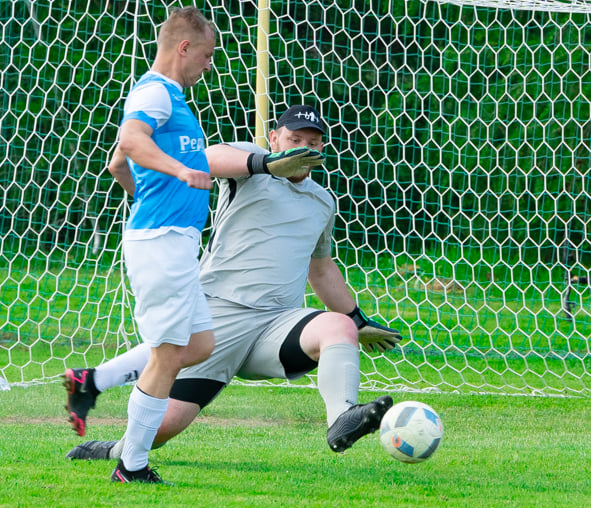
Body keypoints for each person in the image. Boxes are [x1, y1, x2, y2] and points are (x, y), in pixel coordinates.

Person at [64, 104, 402, 470]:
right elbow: (207, 158)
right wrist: (269, 164)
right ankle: (115, 448)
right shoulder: (253, 165)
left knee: (338, 326)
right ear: (274, 138)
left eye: (314, 142)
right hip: (216, 317)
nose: (305, 148)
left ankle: (342, 418)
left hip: (277, 324)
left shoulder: (323, 201)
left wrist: (355, 318)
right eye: (295, 139)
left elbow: (320, 270)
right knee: (160, 429)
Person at [91, 6, 218, 485]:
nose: (209, 65)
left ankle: (96, 380)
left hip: (173, 240)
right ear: (184, 47)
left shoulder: (170, 98)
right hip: (161, 242)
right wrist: (181, 172)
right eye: (205, 55)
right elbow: (130, 138)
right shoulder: (155, 92)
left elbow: (117, 163)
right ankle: (132, 465)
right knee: (167, 353)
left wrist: (145, 191)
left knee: (200, 345)